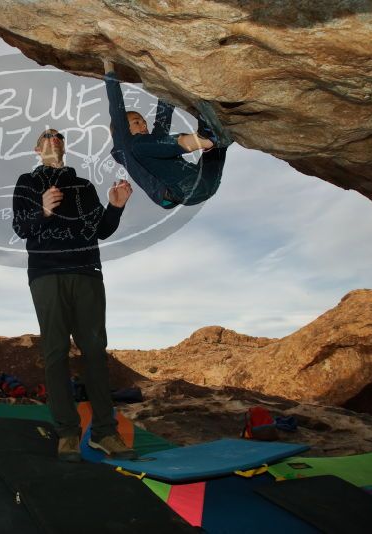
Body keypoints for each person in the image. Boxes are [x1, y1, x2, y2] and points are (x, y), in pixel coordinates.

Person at [12, 127, 137, 462]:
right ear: (37, 149)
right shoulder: (26, 183)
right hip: (46, 274)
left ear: (64, 147)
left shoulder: (84, 186)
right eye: (46, 136)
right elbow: (21, 227)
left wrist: (115, 207)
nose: (53, 138)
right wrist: (43, 210)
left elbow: (101, 229)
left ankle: (104, 433)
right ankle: (67, 432)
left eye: (58, 136)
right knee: (55, 352)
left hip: (86, 273)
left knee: (95, 351)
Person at [103, 58, 230, 209]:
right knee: (137, 146)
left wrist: (167, 79)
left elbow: (163, 117)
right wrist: (109, 68)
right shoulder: (124, 144)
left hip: (207, 180)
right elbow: (116, 107)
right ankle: (204, 138)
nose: (144, 125)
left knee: (221, 137)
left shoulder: (153, 146)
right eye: (137, 122)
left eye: (144, 122)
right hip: (182, 190)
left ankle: (219, 137)